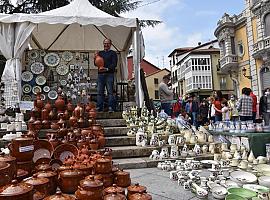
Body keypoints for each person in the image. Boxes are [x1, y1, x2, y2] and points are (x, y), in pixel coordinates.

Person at [95, 38, 118, 112]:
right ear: (103, 44)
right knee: (99, 92)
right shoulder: (100, 53)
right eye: (105, 43)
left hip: (109, 74)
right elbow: (96, 64)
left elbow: (114, 64)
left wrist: (107, 69)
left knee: (110, 92)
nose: (106, 45)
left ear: (110, 45)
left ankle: (111, 107)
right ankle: (99, 107)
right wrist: (95, 58)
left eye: (108, 43)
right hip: (100, 75)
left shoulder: (113, 53)